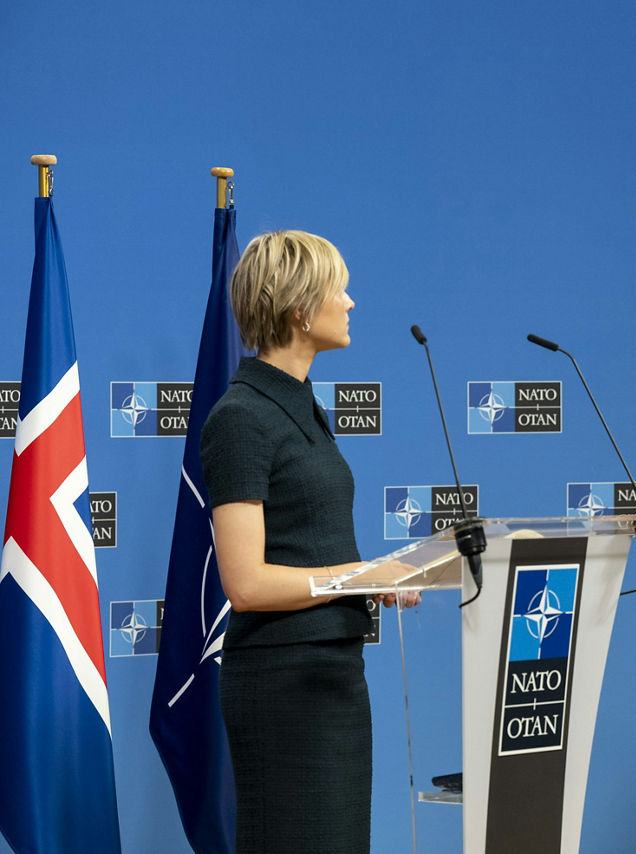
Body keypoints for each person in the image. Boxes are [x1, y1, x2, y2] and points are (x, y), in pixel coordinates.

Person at [201, 230, 420, 854]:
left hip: (333, 677)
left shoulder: (300, 406)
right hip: (283, 687)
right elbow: (244, 585)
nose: (350, 302)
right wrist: (360, 576)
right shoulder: (242, 417)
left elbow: (311, 550)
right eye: (338, 289)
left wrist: (372, 577)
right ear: (300, 309)